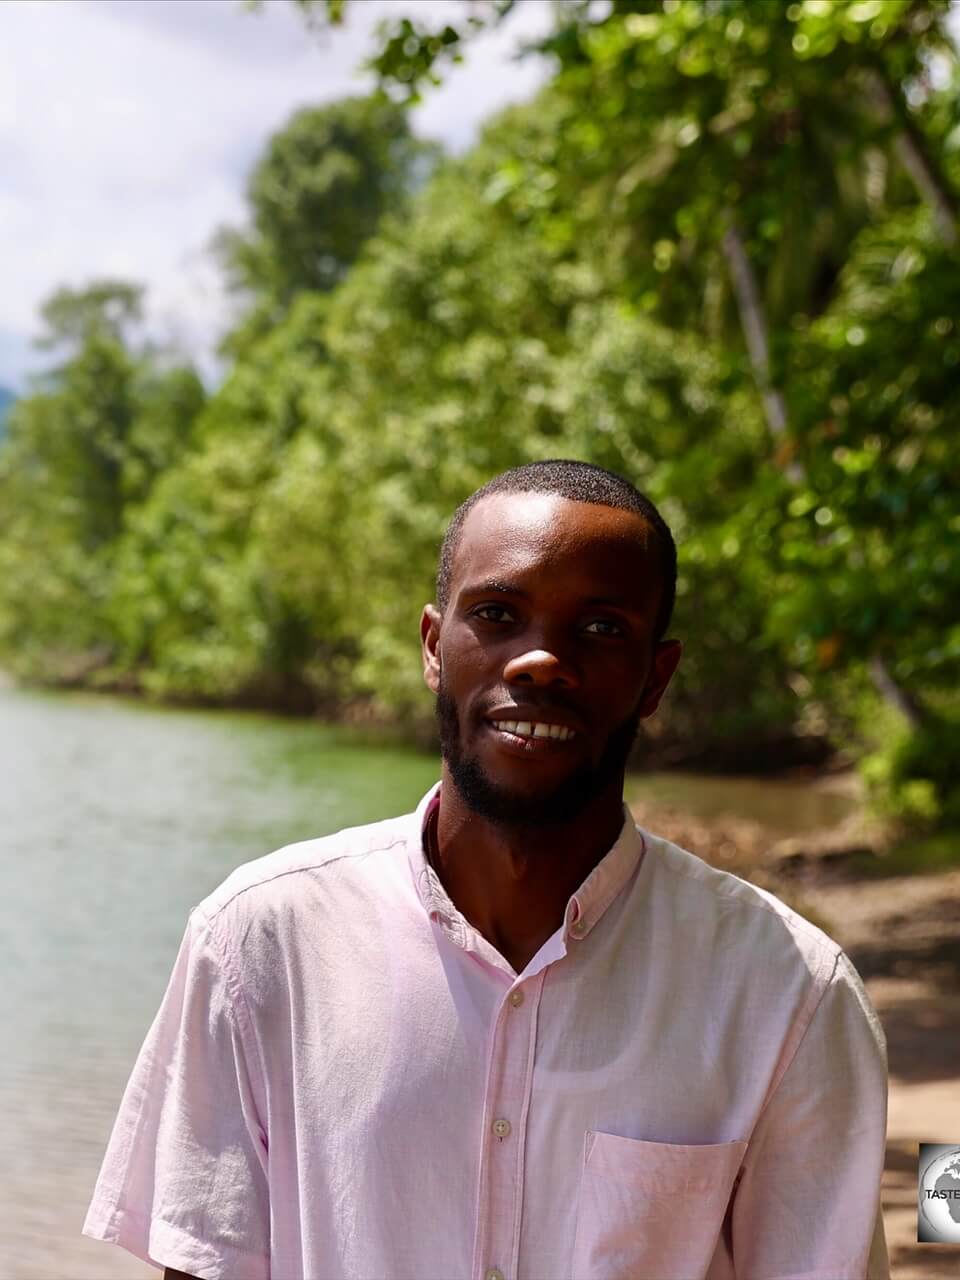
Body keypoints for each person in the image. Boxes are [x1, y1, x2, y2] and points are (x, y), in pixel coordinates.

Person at [81, 460, 890, 1280]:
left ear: (656, 677)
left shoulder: (788, 991)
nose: (541, 660)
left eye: (601, 628)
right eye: (498, 614)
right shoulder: (260, 944)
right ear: (434, 647)